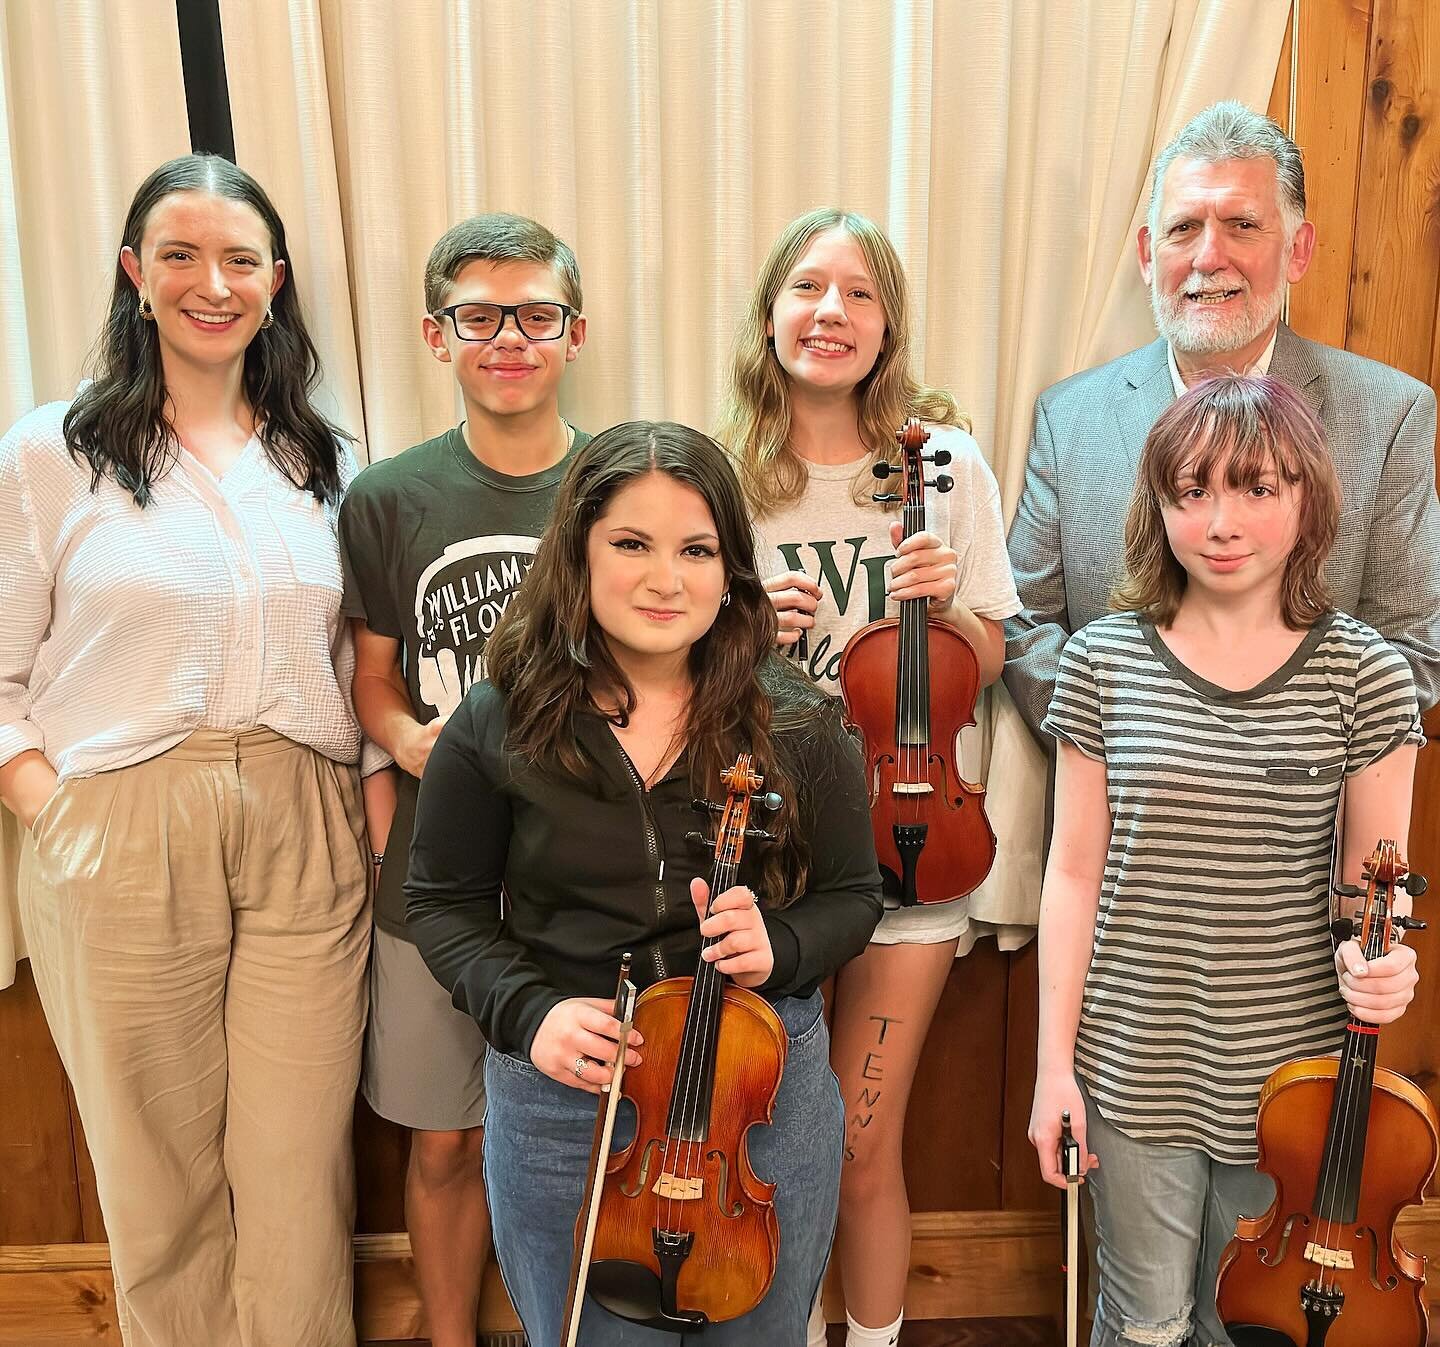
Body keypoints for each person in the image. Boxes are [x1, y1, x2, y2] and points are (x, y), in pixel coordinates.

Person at [405, 420, 884, 1346]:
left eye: (696, 550)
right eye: (631, 544)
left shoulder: (796, 718)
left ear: (731, 569)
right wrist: (529, 1013)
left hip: (759, 1097)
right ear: (576, 554)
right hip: (573, 1098)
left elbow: (854, 896)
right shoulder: (498, 717)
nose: (667, 580)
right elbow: (444, 906)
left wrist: (779, 945)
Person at [0, 154, 372, 1346]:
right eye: (179, 255)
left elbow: (357, 651)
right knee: (153, 1171)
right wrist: (51, 806)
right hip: (116, 823)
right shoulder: (51, 453)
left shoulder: (326, 459)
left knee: (296, 1167)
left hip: (304, 824)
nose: (212, 283)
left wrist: (364, 796)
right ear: (135, 272)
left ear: (275, 279)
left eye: (239, 259)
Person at [1028, 374, 1422, 1347]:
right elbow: (1073, 874)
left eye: (1257, 487)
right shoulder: (1102, 661)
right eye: (1191, 490)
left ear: (1308, 499)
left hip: (1289, 1082)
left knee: (1242, 1322)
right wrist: (1052, 1070)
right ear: (1157, 507)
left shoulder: (1366, 673)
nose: (1221, 519)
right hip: (1130, 1063)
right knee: (1145, 1323)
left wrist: (1384, 965)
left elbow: (1377, 892)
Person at [718, 208, 1021, 1347]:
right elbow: (673, 662)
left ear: (888, 323)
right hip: (770, 850)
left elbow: (992, 657)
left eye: (857, 292)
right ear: (770, 315)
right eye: (807, 287)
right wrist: (747, 640)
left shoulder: (944, 465)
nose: (830, 312)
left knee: (856, 1142)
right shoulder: (727, 474)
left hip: (912, 835)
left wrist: (948, 613)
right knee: (772, 1141)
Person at [338, 212, 589, 1347]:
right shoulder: (389, 498)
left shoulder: (618, 479)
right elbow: (373, 682)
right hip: (441, 876)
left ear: (572, 333)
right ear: (438, 336)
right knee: (444, 1139)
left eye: (534, 315)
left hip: (581, 876)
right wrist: (409, 743)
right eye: (479, 317)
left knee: (577, 1135)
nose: (508, 340)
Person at [1005, 101, 1440, 739]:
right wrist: (1123, 751)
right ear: (1149, 255)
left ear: (1298, 250)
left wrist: (1251, 762)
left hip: (1301, 826)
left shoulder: (1390, 415)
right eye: (1184, 228)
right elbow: (1022, 623)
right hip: (1110, 822)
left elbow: (1417, 646)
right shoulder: (1069, 418)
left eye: (1241, 225)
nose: (1210, 256)